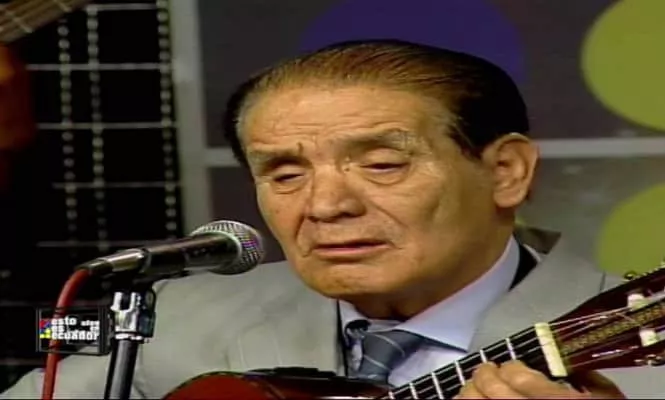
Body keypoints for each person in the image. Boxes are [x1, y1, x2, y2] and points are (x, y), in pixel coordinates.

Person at [1, 39, 660, 399]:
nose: (323, 206)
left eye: (382, 165)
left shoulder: (636, 353)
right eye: (285, 174)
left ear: (505, 171)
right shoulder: (180, 316)